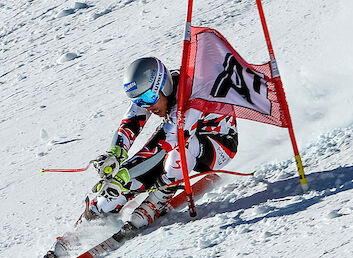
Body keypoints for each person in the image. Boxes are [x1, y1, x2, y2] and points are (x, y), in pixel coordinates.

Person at [84, 57, 238, 232]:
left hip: (218, 147)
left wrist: (123, 176)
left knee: (178, 144)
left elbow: (162, 143)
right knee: (113, 192)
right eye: (138, 100)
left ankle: (160, 197)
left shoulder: (191, 99)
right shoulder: (153, 94)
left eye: (149, 98)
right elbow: (131, 122)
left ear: (163, 87)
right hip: (175, 144)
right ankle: (99, 213)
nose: (146, 106)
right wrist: (115, 154)